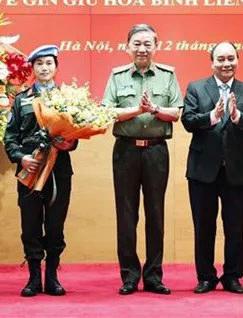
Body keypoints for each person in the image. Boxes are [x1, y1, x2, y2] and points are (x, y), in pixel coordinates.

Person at [101, 24, 183, 295]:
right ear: (128, 47)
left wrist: (155, 109)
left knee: (156, 214)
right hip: (125, 150)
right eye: (137, 43)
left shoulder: (168, 76)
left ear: (155, 47)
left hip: (157, 151)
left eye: (147, 43)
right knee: (126, 215)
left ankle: (153, 276)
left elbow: (176, 112)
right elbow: (109, 112)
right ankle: (129, 275)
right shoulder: (117, 76)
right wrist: (137, 109)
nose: (142, 49)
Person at [181, 42, 243, 294]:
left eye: (231, 59)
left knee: (235, 227)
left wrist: (238, 117)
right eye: (221, 59)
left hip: (236, 170)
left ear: (237, 60)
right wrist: (212, 117)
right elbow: (188, 121)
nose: (226, 64)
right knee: (204, 226)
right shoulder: (196, 87)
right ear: (211, 62)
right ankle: (205, 276)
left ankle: (232, 276)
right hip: (202, 169)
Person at [4, 45, 78, 297]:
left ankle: (52, 277)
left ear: (56, 67)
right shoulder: (21, 99)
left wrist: (70, 142)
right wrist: (21, 157)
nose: (44, 68)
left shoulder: (69, 98)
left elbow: (75, 134)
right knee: (31, 224)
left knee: (55, 225)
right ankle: (34, 277)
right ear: (32, 68)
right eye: (39, 64)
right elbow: (10, 138)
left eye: (48, 63)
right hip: (30, 171)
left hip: (59, 171)